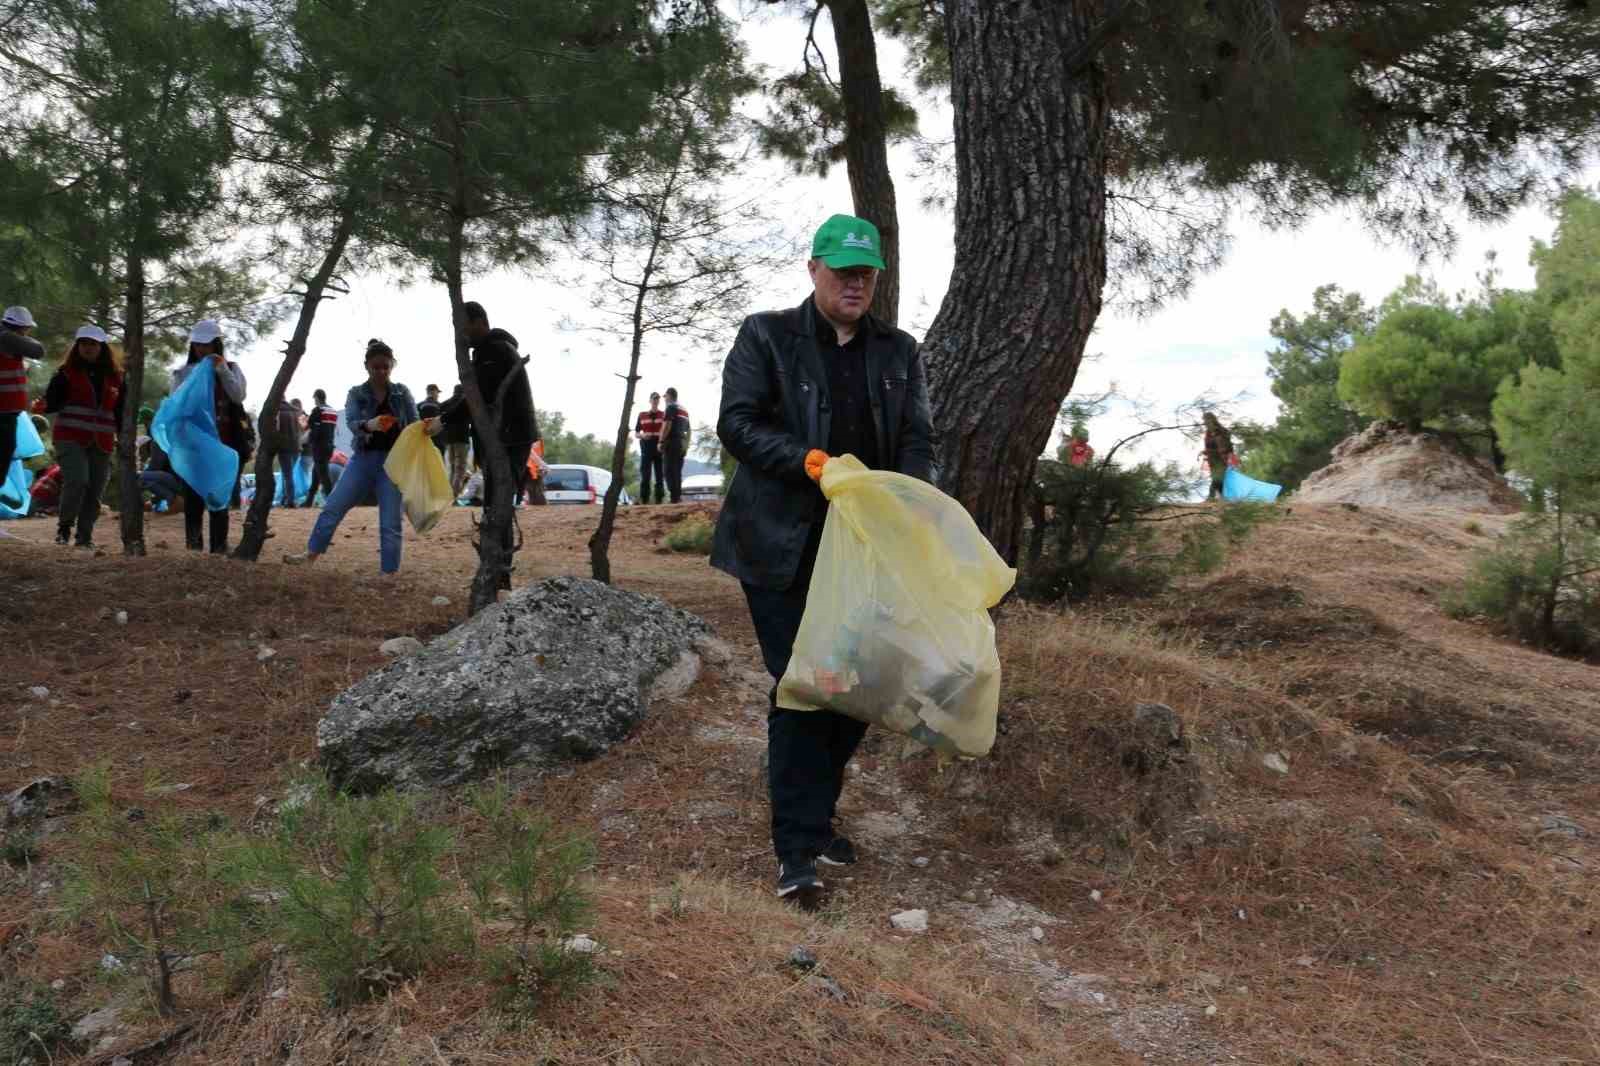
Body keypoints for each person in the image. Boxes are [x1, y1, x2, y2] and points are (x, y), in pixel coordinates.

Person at [710, 213, 934, 902]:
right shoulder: (766, 335)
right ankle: (797, 849)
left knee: (856, 689)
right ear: (814, 270)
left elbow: (918, 440)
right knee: (808, 685)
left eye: (866, 273)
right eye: (843, 272)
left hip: (864, 550)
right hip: (779, 544)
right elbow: (738, 423)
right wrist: (806, 461)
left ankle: (811, 807)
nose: (855, 284)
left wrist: (913, 502)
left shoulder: (899, 352)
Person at [288, 339, 434, 574]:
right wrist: (369, 425)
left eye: (386, 366)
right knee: (333, 506)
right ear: (367, 366)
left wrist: (428, 426)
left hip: (394, 462)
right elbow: (352, 423)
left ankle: (389, 573)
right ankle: (310, 554)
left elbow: (415, 423)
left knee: (391, 521)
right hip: (363, 459)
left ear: (392, 366)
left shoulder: (401, 392)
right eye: (376, 367)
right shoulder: (356, 393)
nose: (381, 371)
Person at [438, 302, 538, 517]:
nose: (462, 332)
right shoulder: (490, 350)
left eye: (465, 325)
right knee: (496, 499)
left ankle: (497, 546)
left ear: (482, 322)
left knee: (497, 500)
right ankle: (496, 543)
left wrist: (443, 419)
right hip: (509, 434)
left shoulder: (493, 350)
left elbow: (477, 397)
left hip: (509, 435)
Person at [39, 325, 125, 547]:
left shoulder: (117, 377)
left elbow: (121, 411)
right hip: (70, 436)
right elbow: (52, 402)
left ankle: (84, 537)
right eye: (84, 344)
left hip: (103, 441)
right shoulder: (64, 373)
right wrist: (43, 405)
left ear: (102, 347)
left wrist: (125, 437)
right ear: (77, 347)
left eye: (93, 344)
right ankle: (64, 527)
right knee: (77, 480)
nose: (88, 348)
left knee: (95, 490)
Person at [172, 319, 248, 553]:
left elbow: (238, 396)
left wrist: (222, 369)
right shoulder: (183, 373)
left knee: (218, 496)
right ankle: (193, 546)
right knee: (193, 497)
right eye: (197, 345)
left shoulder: (231, 368)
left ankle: (219, 546)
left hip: (222, 444)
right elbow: (176, 403)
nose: (201, 350)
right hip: (194, 445)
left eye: (206, 345)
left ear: (217, 344)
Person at [0, 306, 46, 479]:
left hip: (7, 410)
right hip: (3, 411)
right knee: (4, 453)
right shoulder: (6, 338)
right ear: (21, 327)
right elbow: (38, 351)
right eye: (27, 329)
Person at [262, 396, 303, 508]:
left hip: (284, 447)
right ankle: (286, 499)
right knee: (290, 474)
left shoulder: (277, 410)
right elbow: (302, 428)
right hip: (295, 447)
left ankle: (290, 501)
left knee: (287, 475)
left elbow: (276, 428)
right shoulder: (295, 410)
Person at [305, 388, 339, 505]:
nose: (314, 401)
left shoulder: (318, 410)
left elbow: (310, 426)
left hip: (319, 446)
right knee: (317, 473)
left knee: (323, 475)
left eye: (314, 398)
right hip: (329, 445)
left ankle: (332, 501)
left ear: (317, 398)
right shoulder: (333, 411)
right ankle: (309, 501)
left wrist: (309, 440)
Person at [635, 391, 666, 504]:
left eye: (657, 399)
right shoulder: (642, 415)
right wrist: (643, 435)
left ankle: (659, 499)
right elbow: (636, 433)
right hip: (646, 447)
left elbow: (667, 429)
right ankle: (645, 499)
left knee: (659, 475)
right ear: (650, 400)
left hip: (659, 447)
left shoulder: (663, 415)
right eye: (653, 398)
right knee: (645, 475)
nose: (655, 400)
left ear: (659, 401)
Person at [660, 386, 690, 503]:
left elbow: (667, 425)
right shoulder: (684, 410)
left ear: (669, 396)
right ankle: (677, 498)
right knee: (677, 470)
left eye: (665, 396)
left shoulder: (671, 407)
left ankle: (674, 497)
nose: (664, 399)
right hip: (681, 443)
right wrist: (686, 445)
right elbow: (688, 429)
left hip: (671, 442)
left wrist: (661, 441)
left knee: (668, 470)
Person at [441, 384, 471, 496]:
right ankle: (454, 494)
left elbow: (439, 412)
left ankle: (448, 493)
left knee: (452, 467)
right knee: (461, 468)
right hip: (462, 438)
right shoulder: (465, 402)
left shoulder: (446, 403)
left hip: (449, 439)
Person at [1201, 411, 1234, 501]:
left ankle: (1210, 497)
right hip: (1212, 460)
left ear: (1211, 420)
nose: (1205, 423)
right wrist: (1205, 451)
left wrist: (1228, 457)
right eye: (1204, 421)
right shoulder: (1208, 433)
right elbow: (1209, 446)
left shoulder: (1221, 430)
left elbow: (1228, 445)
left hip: (1222, 459)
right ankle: (1226, 499)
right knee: (1218, 480)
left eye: (1206, 420)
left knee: (1217, 478)